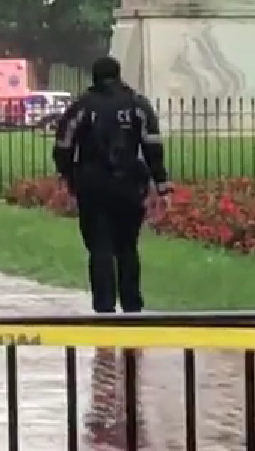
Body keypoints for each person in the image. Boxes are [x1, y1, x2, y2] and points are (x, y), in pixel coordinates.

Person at [52, 56, 172, 314]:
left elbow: (63, 146)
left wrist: (68, 177)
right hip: (130, 184)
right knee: (128, 246)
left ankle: (104, 308)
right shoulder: (138, 105)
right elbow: (153, 146)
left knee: (99, 247)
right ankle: (132, 306)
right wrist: (161, 184)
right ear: (119, 75)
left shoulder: (82, 106)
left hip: (92, 184)